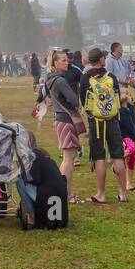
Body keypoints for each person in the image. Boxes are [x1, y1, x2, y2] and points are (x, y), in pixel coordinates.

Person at [79, 47, 128, 205]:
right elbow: (118, 97)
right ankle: (123, 193)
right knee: (117, 156)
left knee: (99, 157)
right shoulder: (111, 77)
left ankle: (101, 193)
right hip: (113, 119)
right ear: (101, 60)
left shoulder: (85, 78)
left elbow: (83, 101)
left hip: (96, 122)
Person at [44, 50, 85, 204]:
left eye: (67, 60)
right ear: (55, 63)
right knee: (68, 159)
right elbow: (75, 101)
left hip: (61, 119)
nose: (66, 62)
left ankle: (64, 193)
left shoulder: (52, 79)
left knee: (69, 158)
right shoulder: (60, 81)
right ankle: (66, 194)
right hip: (66, 120)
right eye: (62, 60)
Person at [17, 132, 68, 230]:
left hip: (47, 196)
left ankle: (31, 215)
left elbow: (35, 179)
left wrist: (23, 174)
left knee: (19, 181)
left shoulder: (33, 156)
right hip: (60, 194)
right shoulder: (43, 153)